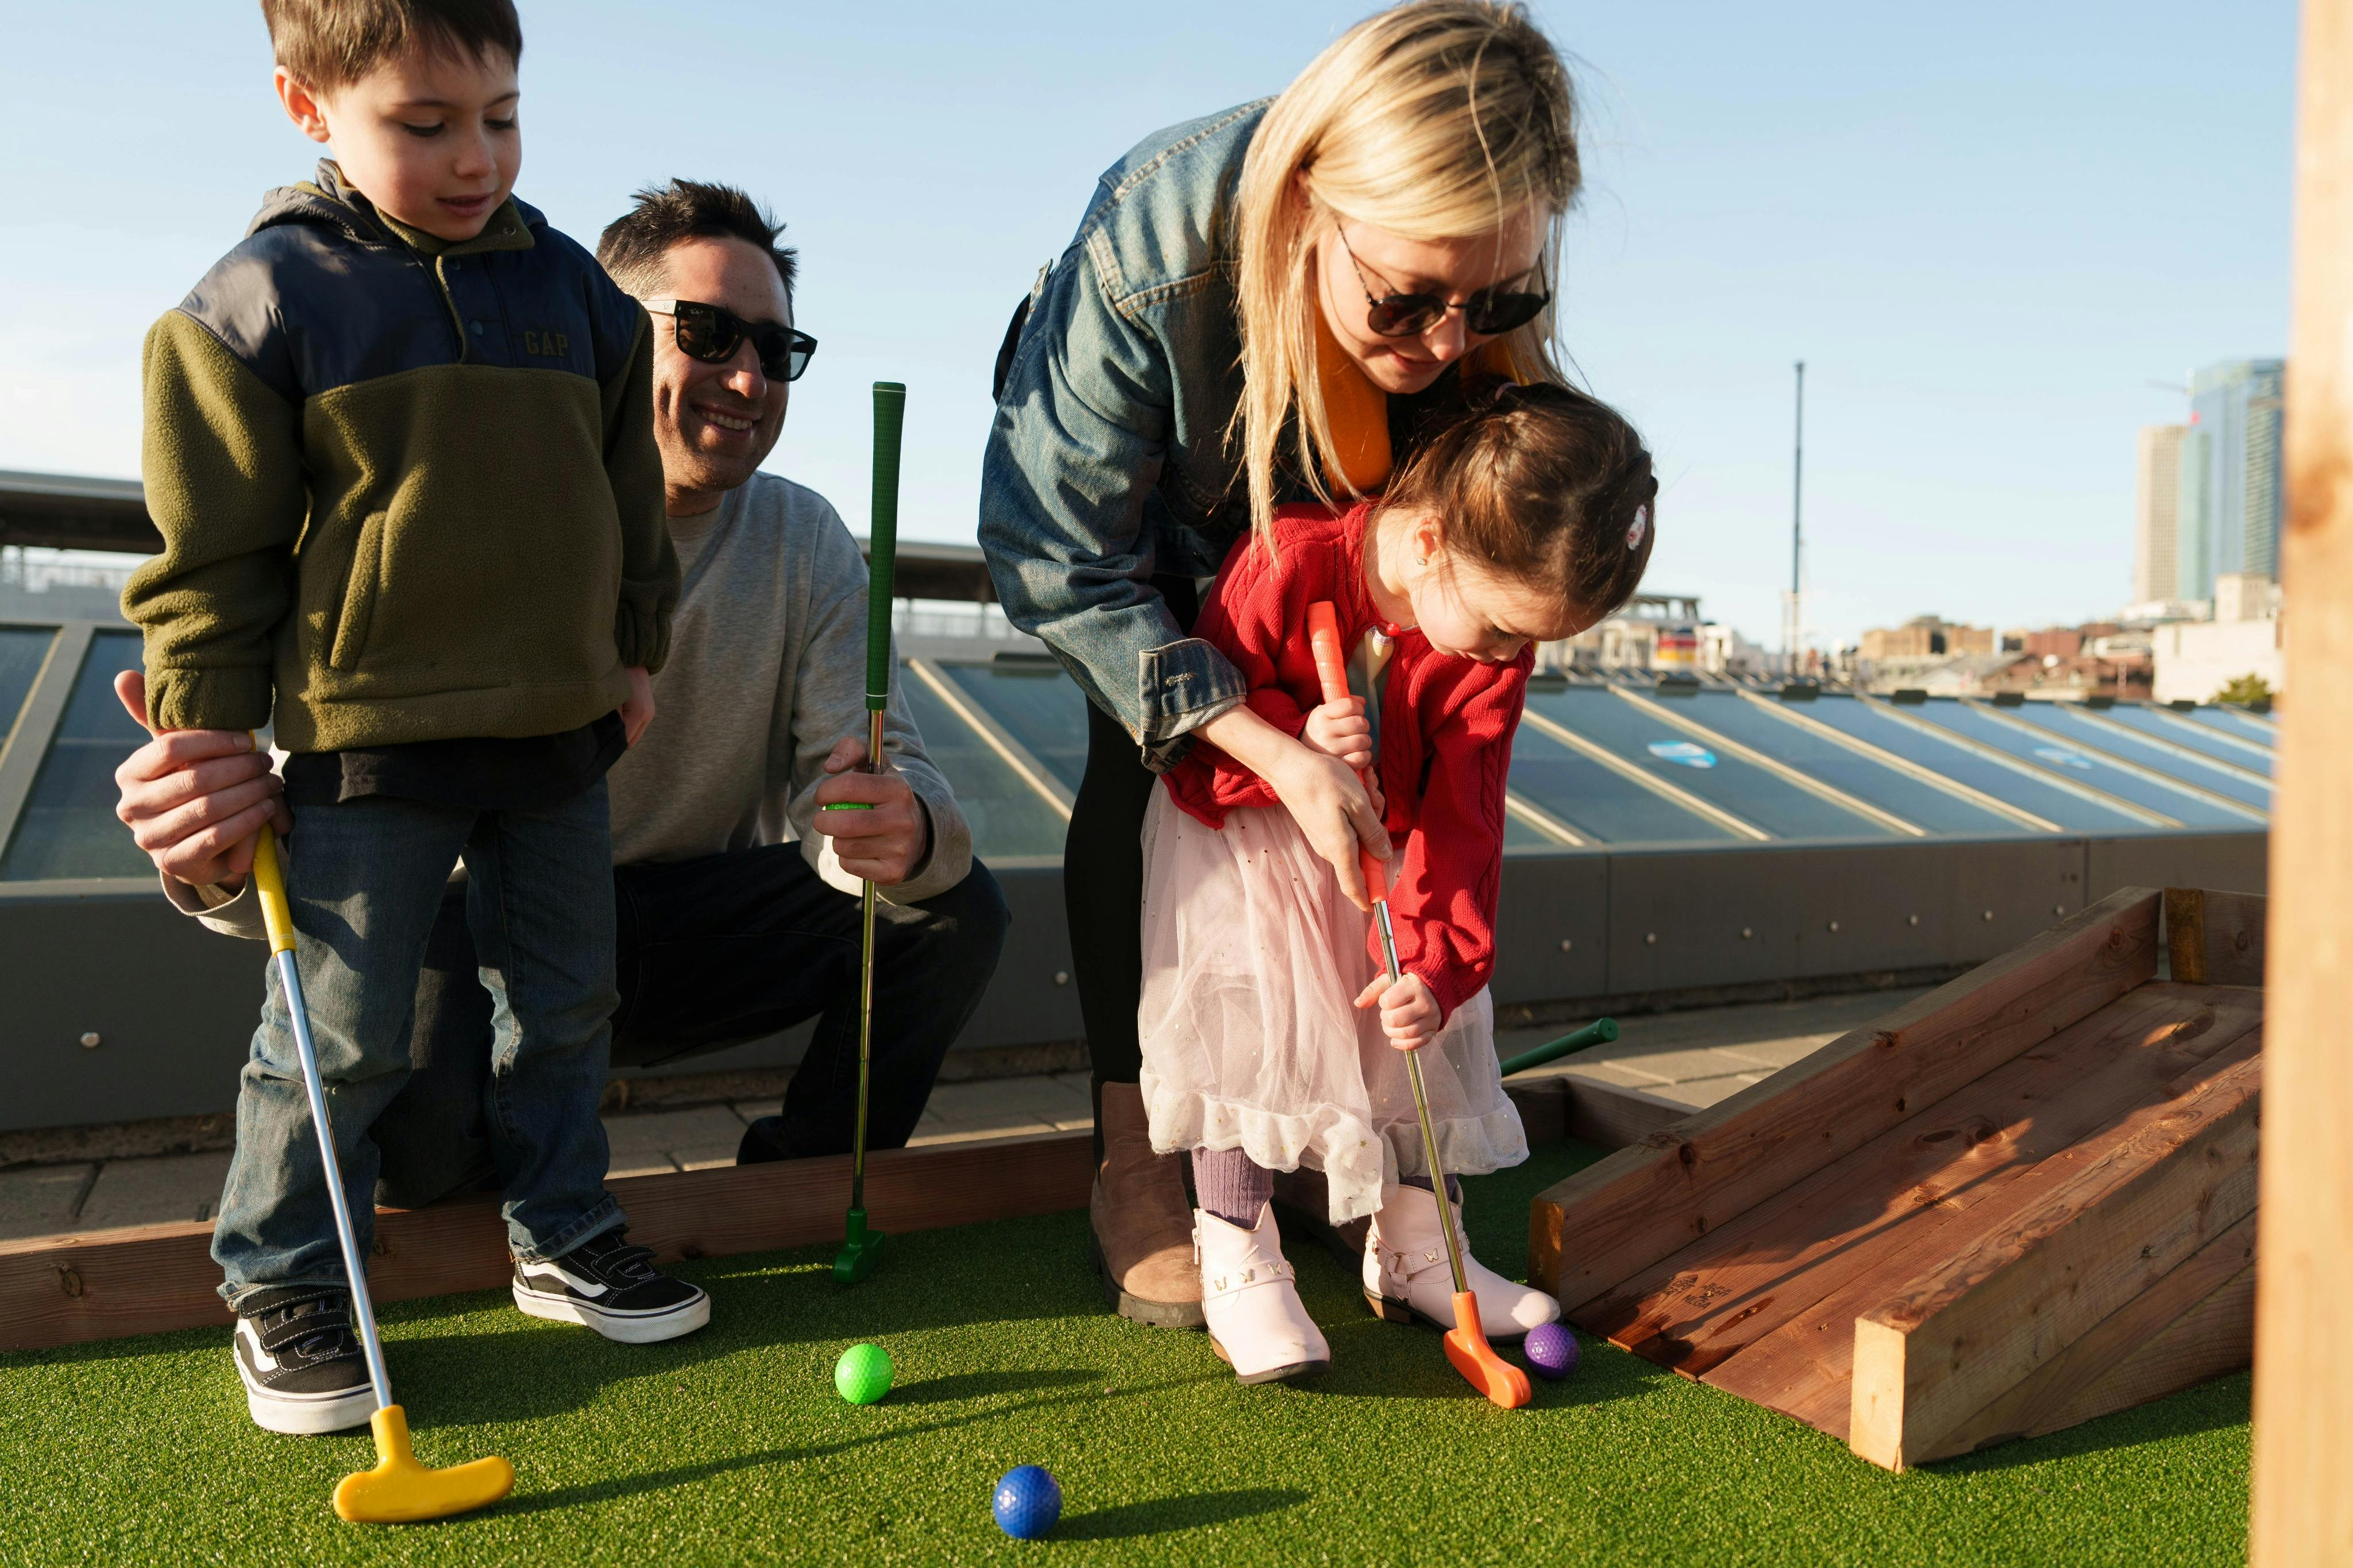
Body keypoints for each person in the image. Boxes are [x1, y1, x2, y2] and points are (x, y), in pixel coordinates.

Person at [117, 169, 1010, 1428]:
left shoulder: (808, 539)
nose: (749, 378)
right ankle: (441, 1228)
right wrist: (207, 854)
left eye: (776, 347)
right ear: (597, 331)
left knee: (949, 910)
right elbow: (334, 787)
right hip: (473, 927)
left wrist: (904, 823)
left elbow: (874, 769)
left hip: (683, 921)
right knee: (422, 1141)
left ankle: (793, 1197)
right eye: (704, 334)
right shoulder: (468, 508)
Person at [123, 0, 699, 1435]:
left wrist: (633, 652)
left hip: (561, 732)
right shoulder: (256, 303)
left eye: (500, 117)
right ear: (306, 106)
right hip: (363, 739)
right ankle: (286, 1278)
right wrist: (204, 733)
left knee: (566, 1007)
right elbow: (214, 559)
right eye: (423, 125)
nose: (474, 158)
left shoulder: (577, 293)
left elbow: (631, 504)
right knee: (342, 1029)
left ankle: (560, 1234)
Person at [980, 0, 1584, 1327]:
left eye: (1498, 298)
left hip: (1357, 534)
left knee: (1384, 789)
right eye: (1407, 299)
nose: (1446, 345)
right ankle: (1143, 1148)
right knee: (1144, 776)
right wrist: (1251, 739)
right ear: (1312, 203)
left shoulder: (1464, 284)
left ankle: (1329, 1132)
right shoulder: (1152, 244)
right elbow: (1051, 558)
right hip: (1159, 538)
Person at [1141, 384, 1656, 1381]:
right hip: (1246, 843)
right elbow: (1194, 752)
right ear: (1429, 544)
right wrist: (1290, 743)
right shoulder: (1286, 563)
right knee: (1256, 1038)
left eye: (1527, 640)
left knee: (1415, 1026)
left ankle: (1418, 1246)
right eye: (1504, 628)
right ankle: (1238, 1252)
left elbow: (1466, 814)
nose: (1509, 655)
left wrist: (1442, 964)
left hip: (1391, 857)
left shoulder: (1488, 654)